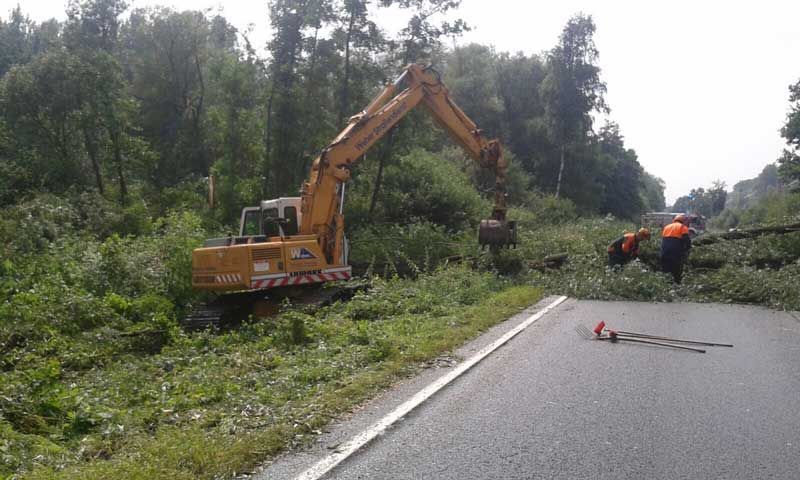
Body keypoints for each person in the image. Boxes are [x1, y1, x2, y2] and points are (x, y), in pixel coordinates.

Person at [661, 214, 692, 284]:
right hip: (675, 254)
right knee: (676, 272)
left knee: (666, 270)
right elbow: (687, 242)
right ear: (683, 221)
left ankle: (665, 285)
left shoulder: (666, 227)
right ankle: (676, 285)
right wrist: (687, 252)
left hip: (664, 252)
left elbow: (663, 240)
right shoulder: (682, 227)